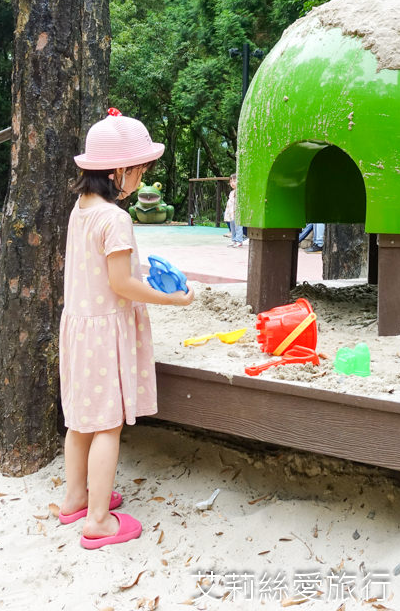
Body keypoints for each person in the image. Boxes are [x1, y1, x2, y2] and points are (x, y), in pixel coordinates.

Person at [56, 108, 194, 551]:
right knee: (107, 426)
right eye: (139, 169)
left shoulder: (83, 208)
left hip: (77, 328)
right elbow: (120, 284)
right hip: (102, 334)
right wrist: (173, 298)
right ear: (118, 170)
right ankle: (97, 520)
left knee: (80, 420)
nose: (141, 177)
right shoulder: (116, 218)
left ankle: (76, 498)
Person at [223, 174, 245, 247]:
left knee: (238, 227)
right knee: (232, 227)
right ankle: (234, 240)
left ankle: (239, 240)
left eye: (234, 181)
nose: (232, 183)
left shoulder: (240, 192)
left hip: (237, 213)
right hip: (231, 213)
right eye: (231, 181)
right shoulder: (231, 192)